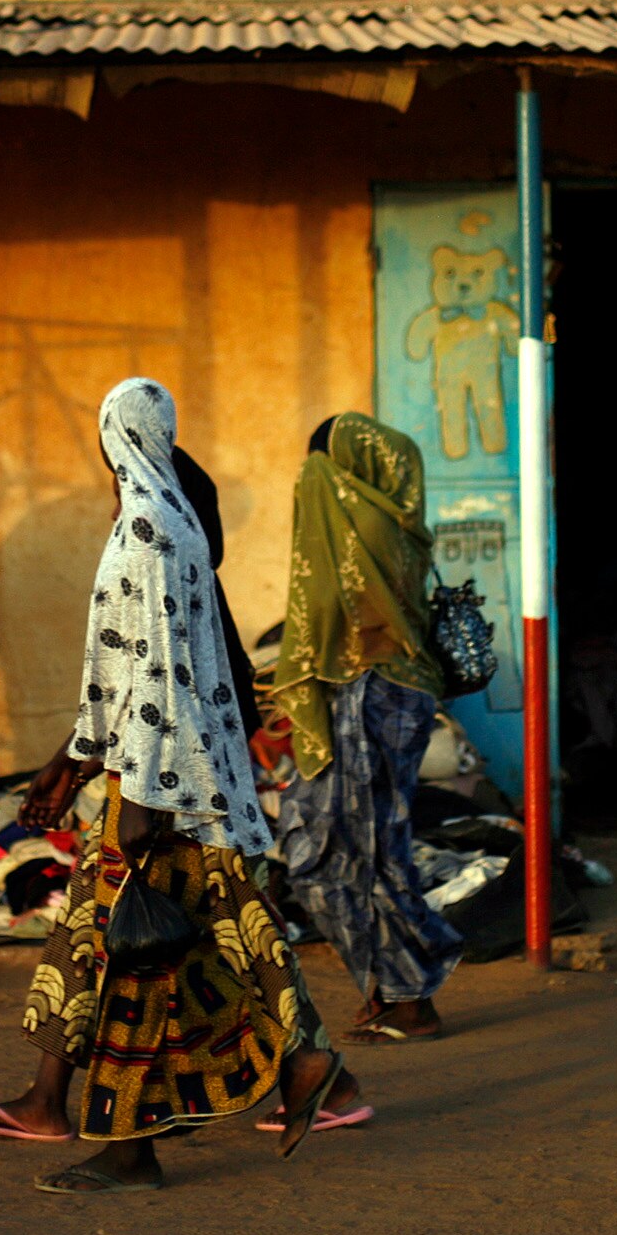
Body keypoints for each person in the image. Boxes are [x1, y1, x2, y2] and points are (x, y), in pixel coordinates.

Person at [0, 378, 367, 1196]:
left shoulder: (145, 531)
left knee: (134, 964)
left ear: (115, 440)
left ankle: (131, 1147)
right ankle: (305, 1061)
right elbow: (128, 665)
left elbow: (155, 679)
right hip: (184, 782)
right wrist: (71, 759)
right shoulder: (174, 524)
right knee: (219, 935)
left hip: (163, 792)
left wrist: (136, 798)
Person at [271, 412, 466, 1041]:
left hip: (369, 693)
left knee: (350, 850)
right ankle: (397, 984)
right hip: (396, 694)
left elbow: (327, 611)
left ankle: (411, 993)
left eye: (319, 467)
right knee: (369, 847)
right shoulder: (400, 525)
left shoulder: (358, 523)